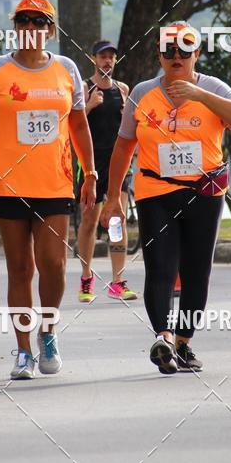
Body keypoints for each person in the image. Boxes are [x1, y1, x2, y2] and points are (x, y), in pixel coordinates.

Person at [100, 24, 231, 375]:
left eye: (185, 50)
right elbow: (123, 146)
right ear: (159, 55)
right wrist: (113, 198)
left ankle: (183, 343)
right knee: (160, 267)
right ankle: (163, 338)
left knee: (197, 272)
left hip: (203, 192)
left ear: (196, 54)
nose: (176, 57)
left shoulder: (213, 87)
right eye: (169, 51)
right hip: (155, 191)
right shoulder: (142, 92)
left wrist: (200, 95)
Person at [0, 0, 97, 380]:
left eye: (39, 21)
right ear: (15, 27)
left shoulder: (66, 69)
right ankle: (23, 351)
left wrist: (90, 173)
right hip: (8, 186)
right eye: (23, 20)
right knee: (20, 268)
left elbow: (78, 125)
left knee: (54, 264)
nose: (31, 27)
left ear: (50, 30)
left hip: (55, 183)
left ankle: (48, 332)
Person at [76, 40, 138, 303]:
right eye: (102, 56)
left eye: (111, 56)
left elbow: (131, 127)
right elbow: (73, 123)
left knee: (116, 221)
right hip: (91, 164)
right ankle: (86, 278)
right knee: (89, 221)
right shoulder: (83, 87)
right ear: (93, 59)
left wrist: (128, 115)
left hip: (118, 163)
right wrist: (89, 105)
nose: (107, 61)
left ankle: (117, 282)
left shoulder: (123, 89)